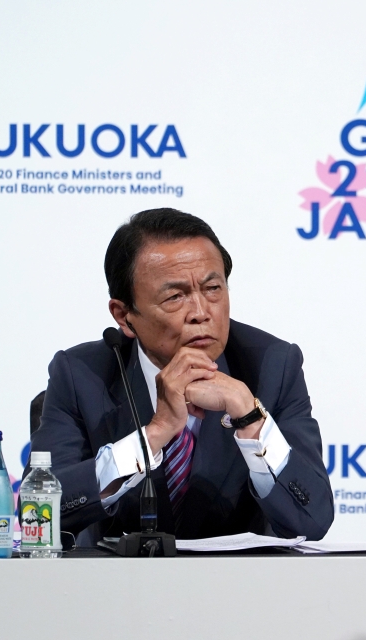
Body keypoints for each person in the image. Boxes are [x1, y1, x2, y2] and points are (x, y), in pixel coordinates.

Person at [30, 208, 333, 542]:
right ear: (125, 315)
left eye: (213, 288)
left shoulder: (272, 366)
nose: (202, 313)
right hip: (115, 587)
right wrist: (153, 435)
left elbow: (313, 520)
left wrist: (251, 418)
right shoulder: (81, 374)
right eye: (175, 297)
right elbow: (38, 515)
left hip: (239, 587)